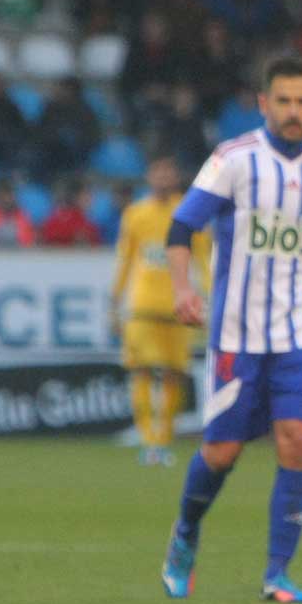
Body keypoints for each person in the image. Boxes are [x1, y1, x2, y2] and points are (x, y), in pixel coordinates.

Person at [159, 54, 302, 604]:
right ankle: (185, 533)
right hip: (237, 334)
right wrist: (184, 288)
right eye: (282, 100)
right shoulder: (233, 161)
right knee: (223, 452)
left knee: (297, 439)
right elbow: (181, 226)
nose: (292, 111)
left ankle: (277, 573)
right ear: (263, 103)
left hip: (299, 334)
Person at [110, 154, 211, 466]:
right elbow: (125, 260)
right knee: (140, 370)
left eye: (168, 172)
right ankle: (147, 440)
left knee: (174, 375)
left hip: (178, 306)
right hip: (142, 306)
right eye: (158, 172)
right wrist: (115, 302)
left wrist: (208, 298)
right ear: (149, 177)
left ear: (176, 177)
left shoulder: (192, 213)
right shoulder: (135, 214)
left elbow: (203, 260)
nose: (163, 178)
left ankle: (163, 441)